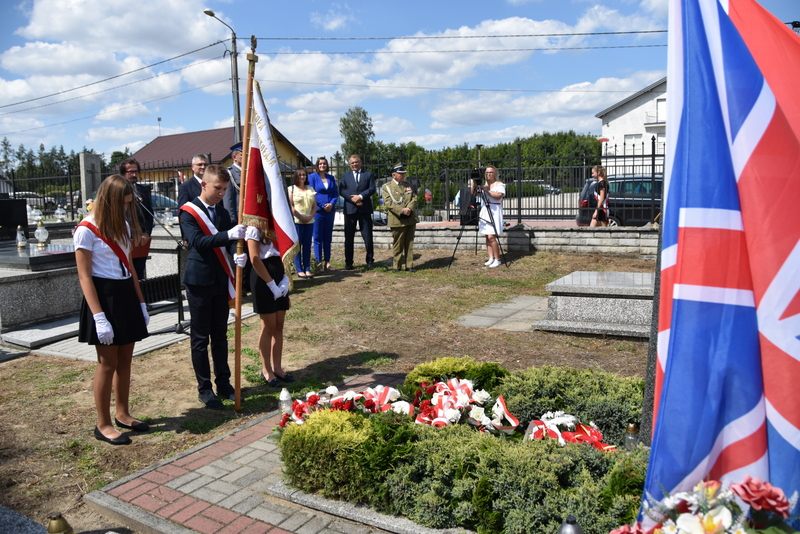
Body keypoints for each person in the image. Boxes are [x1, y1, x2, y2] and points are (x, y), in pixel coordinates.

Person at [74, 175, 150, 445]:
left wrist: (141, 302)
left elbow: (130, 267)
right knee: (107, 363)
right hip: (103, 298)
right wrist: (99, 317)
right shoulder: (86, 229)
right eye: (123, 204)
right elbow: (84, 276)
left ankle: (123, 413)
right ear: (110, 201)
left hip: (125, 294)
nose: (126, 209)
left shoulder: (123, 225)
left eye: (128, 204)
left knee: (126, 360)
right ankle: (103, 423)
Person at [179, 164, 247, 409]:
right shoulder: (188, 212)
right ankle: (205, 389)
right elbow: (198, 241)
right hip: (199, 282)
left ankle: (224, 384)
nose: (221, 193)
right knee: (200, 338)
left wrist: (236, 253)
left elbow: (228, 241)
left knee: (220, 336)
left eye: (225, 189)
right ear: (204, 184)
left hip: (219, 280)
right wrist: (228, 236)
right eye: (218, 188)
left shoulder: (221, 211)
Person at [246, 224, 291, 385]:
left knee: (279, 325)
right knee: (268, 326)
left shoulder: (279, 222)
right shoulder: (254, 228)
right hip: (263, 277)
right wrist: (271, 284)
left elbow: (288, 250)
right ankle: (266, 370)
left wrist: (286, 277)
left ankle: (277, 368)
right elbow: (254, 258)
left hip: (279, 273)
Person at [119, 158, 154, 280]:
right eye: (130, 172)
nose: (134, 174)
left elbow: (149, 215)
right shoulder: (117, 190)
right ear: (123, 173)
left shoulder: (143, 190)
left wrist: (146, 233)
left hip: (140, 240)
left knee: (139, 274)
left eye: (136, 171)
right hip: (123, 239)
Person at [339, 153, 376, 269]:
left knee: (368, 236)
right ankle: (348, 262)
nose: (354, 164)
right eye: (352, 163)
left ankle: (370, 260)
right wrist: (352, 199)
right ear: (349, 164)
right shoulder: (345, 176)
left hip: (364, 209)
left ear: (361, 162)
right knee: (349, 238)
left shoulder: (368, 174)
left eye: (356, 162)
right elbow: (341, 190)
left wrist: (360, 197)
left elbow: (372, 189)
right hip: (350, 210)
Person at [382, 163, 418, 271]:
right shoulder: (387, 187)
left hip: (410, 218)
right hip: (397, 219)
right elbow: (388, 203)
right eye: (400, 173)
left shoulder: (408, 185)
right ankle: (397, 266)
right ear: (394, 175)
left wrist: (409, 208)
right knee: (398, 244)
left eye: (404, 173)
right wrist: (402, 210)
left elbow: (414, 198)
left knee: (409, 243)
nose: (403, 175)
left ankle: (409, 265)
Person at [308, 157, 338, 271]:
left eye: (324, 163)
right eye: (320, 163)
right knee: (317, 237)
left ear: (327, 165)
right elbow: (311, 193)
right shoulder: (312, 177)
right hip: (318, 211)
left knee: (327, 237)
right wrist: (322, 205)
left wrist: (331, 204)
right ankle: (318, 262)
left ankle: (327, 262)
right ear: (317, 165)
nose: (322, 165)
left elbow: (335, 193)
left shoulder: (331, 178)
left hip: (330, 211)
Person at [288, 168, 317, 279]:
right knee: (298, 246)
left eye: (304, 175)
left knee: (307, 246)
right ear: (296, 176)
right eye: (300, 175)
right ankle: (299, 270)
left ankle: (307, 268)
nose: (302, 177)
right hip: (297, 222)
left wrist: (310, 216)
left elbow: (314, 206)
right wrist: (301, 217)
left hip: (310, 221)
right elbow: (292, 207)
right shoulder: (291, 189)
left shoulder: (310, 188)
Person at [478, 166, 505, 268]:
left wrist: (487, 191)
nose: (488, 174)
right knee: (486, 236)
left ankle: (497, 259)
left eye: (491, 172)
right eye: (487, 172)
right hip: (485, 210)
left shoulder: (499, 184)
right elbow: (474, 193)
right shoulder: (484, 185)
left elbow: (498, 196)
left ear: (495, 174)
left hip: (494, 210)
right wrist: (474, 183)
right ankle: (491, 257)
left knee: (491, 236)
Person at [222, 143, 243, 222]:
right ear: (234, 157)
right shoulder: (229, 173)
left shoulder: (249, 171)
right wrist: (232, 220)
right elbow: (228, 199)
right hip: (239, 215)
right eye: (242, 154)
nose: (246, 156)